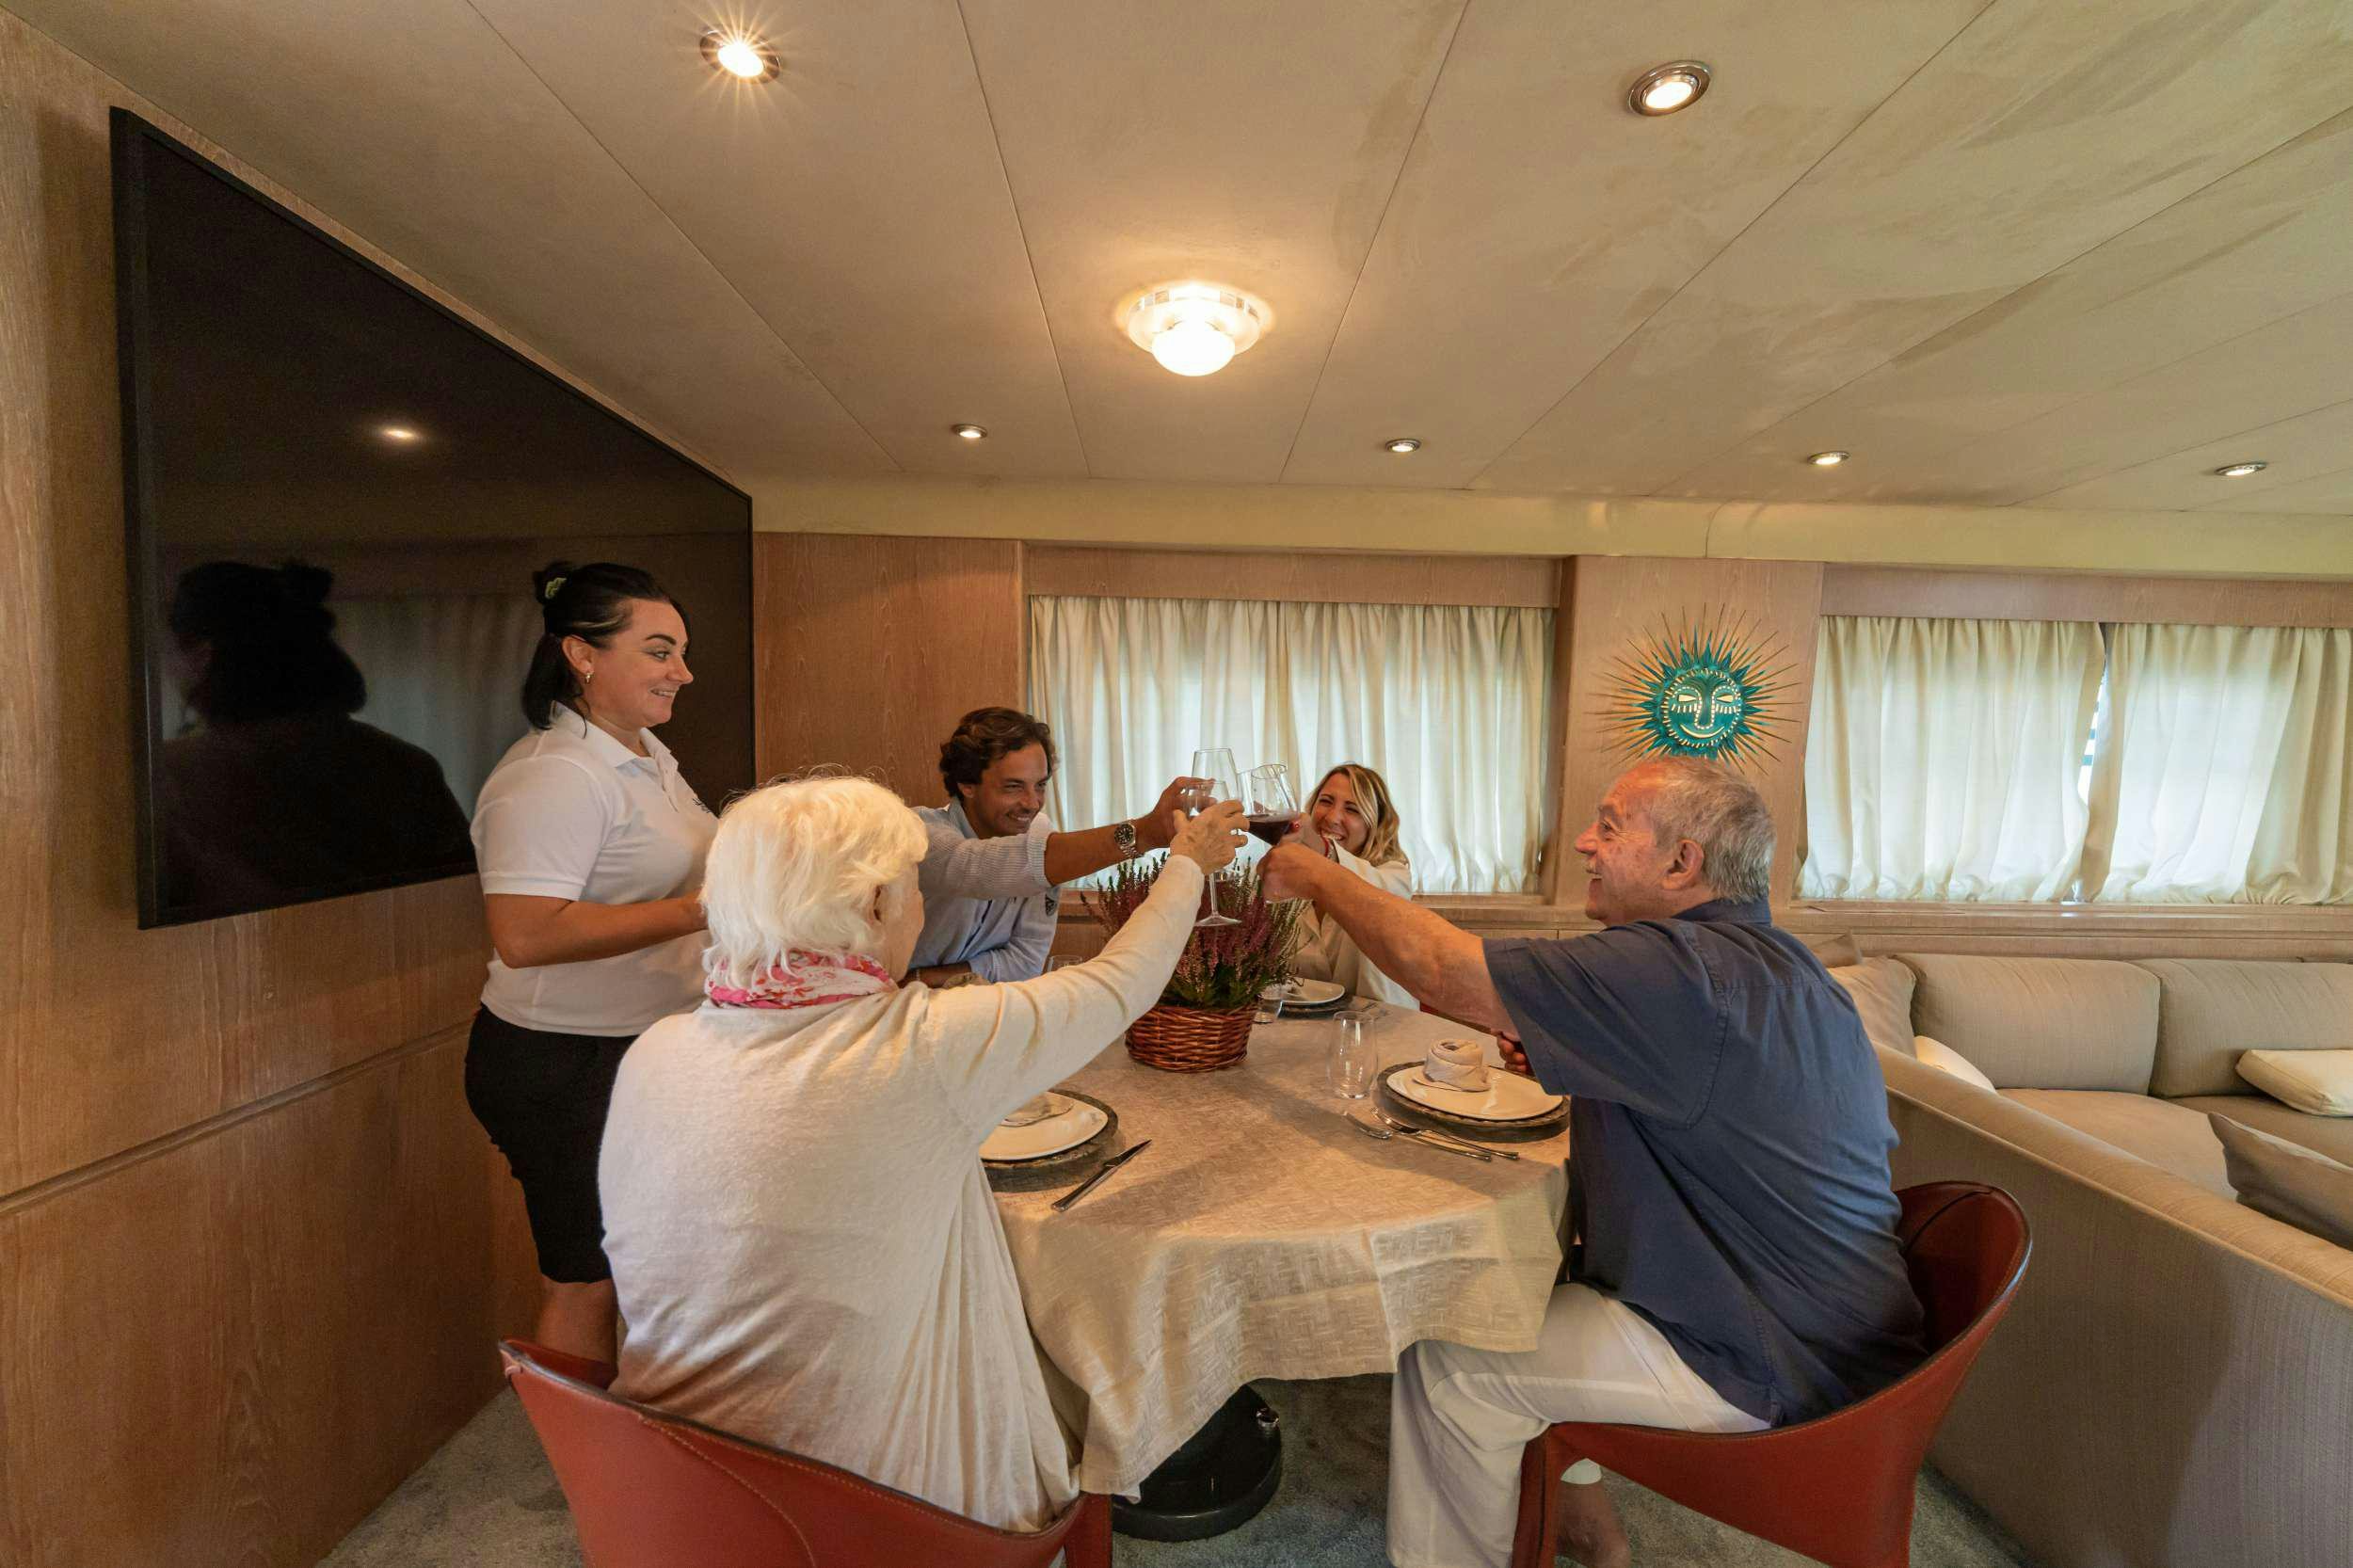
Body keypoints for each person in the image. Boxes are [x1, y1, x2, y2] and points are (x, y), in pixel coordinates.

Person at [1260, 757, 1925, 1568]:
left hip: (1767, 1351)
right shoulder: (1786, 968)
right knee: (1533, 1282)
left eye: (1610, 827)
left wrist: (1317, 875)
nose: (1583, 842)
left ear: (1684, 863)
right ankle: (1584, 1520)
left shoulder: (1676, 970)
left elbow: (1443, 971)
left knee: (1449, 1363)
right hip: (1837, 1316)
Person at [599, 775, 1246, 1530]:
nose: (921, 909)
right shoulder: (922, 1045)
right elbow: (1121, 981)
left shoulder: (656, 1049)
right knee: (1091, 1357)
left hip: (668, 1487)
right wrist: (1189, 863)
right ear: (874, 905)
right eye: (913, 890)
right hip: (864, 1500)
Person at [464, 561, 715, 1365]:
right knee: (587, 1277)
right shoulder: (552, 774)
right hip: (562, 1062)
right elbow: (527, 934)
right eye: (658, 651)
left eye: (679, 652)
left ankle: (636, 1453)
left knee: (640, 1268)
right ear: (581, 654)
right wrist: (707, 911)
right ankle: (588, 1479)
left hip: (640, 1050)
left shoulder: (645, 756)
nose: (682, 671)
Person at [155, 559, 471, 912]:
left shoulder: (169, 777)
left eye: (173, 649)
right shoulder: (405, 764)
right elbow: (459, 896)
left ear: (201, 653)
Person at [907, 706, 1202, 986]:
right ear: (966, 784)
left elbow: (1026, 961)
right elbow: (980, 870)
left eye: (1040, 785)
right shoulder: (920, 835)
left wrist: (925, 979)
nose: (1032, 803)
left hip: (977, 1016)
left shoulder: (1039, 838)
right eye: (1013, 786)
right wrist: (1143, 833)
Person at [1283, 762, 1418, 1010]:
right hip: (1309, 1031)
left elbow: (1370, 896)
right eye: (1325, 801)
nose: (1332, 818)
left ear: (1374, 824)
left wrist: (1322, 850)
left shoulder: (1394, 877)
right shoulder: (1290, 886)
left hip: (1385, 1030)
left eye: (1352, 809)